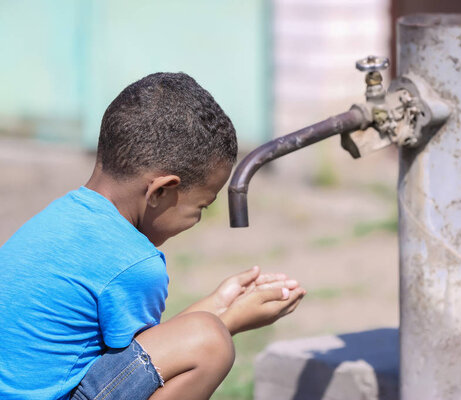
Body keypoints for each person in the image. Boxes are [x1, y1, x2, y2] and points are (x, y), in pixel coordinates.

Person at [0, 72, 306, 400]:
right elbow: (146, 374)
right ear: (161, 191)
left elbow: (139, 357)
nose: (198, 219)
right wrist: (228, 321)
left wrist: (218, 304)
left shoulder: (59, 218)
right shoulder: (134, 262)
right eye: (201, 206)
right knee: (211, 344)